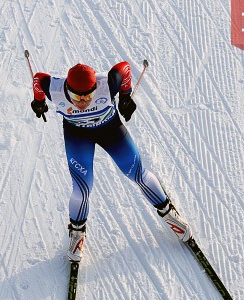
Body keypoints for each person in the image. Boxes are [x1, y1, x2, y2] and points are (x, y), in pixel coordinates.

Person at [30, 61, 192, 262]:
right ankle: (77, 232)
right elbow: (37, 79)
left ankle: (168, 212)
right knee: (82, 187)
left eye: (88, 96)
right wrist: (38, 100)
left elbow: (124, 68)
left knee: (136, 172)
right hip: (78, 136)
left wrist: (125, 95)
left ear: (95, 88)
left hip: (111, 131)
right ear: (66, 89)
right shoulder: (54, 88)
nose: (82, 102)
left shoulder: (107, 83)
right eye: (75, 97)